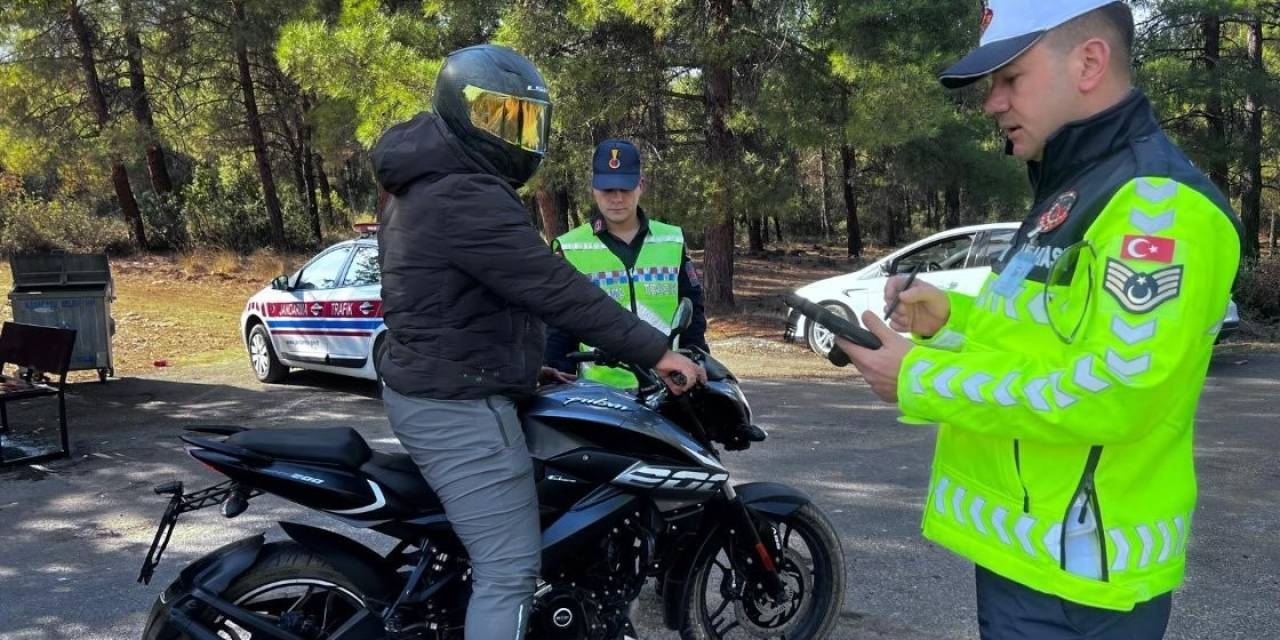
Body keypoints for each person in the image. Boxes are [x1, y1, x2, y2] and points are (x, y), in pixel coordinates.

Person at [835, 2, 1242, 639]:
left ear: (1089, 62)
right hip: (1031, 556)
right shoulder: (1075, 187)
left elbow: (1113, 392)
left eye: (1011, 78)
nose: (992, 103)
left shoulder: (1158, 208)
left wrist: (917, 380)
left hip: (1082, 572)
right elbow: (1044, 338)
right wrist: (948, 318)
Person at [371, 44, 705, 640]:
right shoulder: (461, 193)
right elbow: (556, 291)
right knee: (508, 570)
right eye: (502, 118)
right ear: (463, 112)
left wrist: (524, 371)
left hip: (453, 379)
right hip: (455, 401)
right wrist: (658, 351)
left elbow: (463, 304)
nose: (518, 134)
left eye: (525, 119)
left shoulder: (432, 179)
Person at [545, 139, 709, 388]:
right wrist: (558, 385)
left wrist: (696, 360)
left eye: (625, 188)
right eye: (608, 189)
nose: (617, 198)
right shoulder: (569, 248)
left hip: (669, 387)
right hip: (600, 395)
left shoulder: (672, 240)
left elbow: (692, 313)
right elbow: (558, 328)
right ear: (593, 189)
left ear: (640, 186)